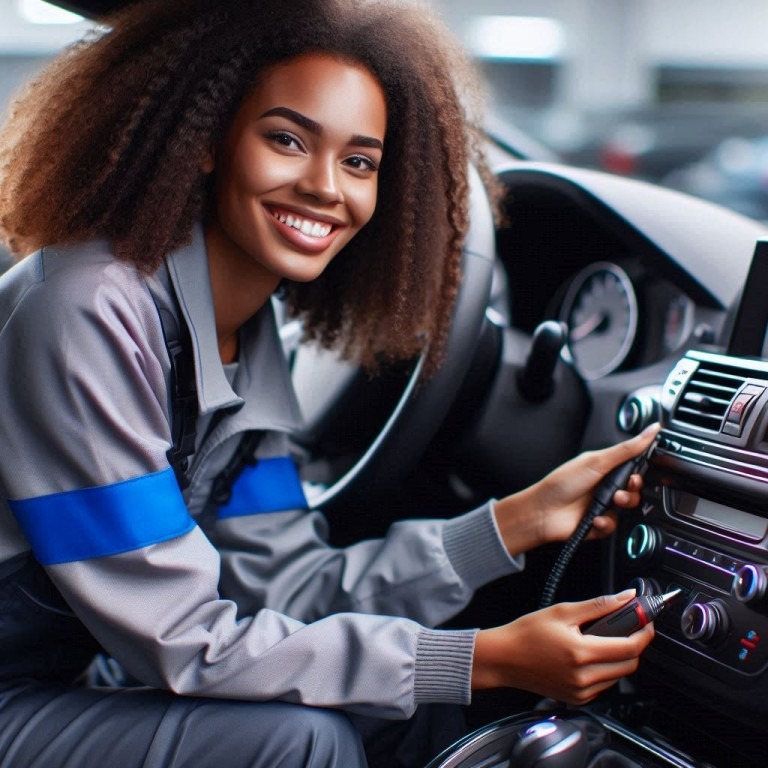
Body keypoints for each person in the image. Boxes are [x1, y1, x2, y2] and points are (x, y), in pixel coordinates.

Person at [0, 0, 658, 765]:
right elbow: (182, 641)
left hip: (68, 669)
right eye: (286, 139)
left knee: (418, 716)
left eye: (359, 162)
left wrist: (510, 523)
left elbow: (288, 588)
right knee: (299, 740)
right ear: (207, 140)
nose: (324, 187)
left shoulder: (244, 334)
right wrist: (486, 658)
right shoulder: (88, 309)